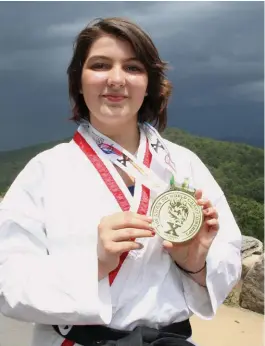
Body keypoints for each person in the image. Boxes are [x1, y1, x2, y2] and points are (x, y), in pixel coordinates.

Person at [0, 17, 242, 346]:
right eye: (100, 65)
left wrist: (196, 263)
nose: (116, 80)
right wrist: (95, 263)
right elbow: (9, 282)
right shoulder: (45, 171)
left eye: (132, 67)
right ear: (79, 80)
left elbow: (228, 256)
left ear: (150, 83)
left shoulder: (184, 166)